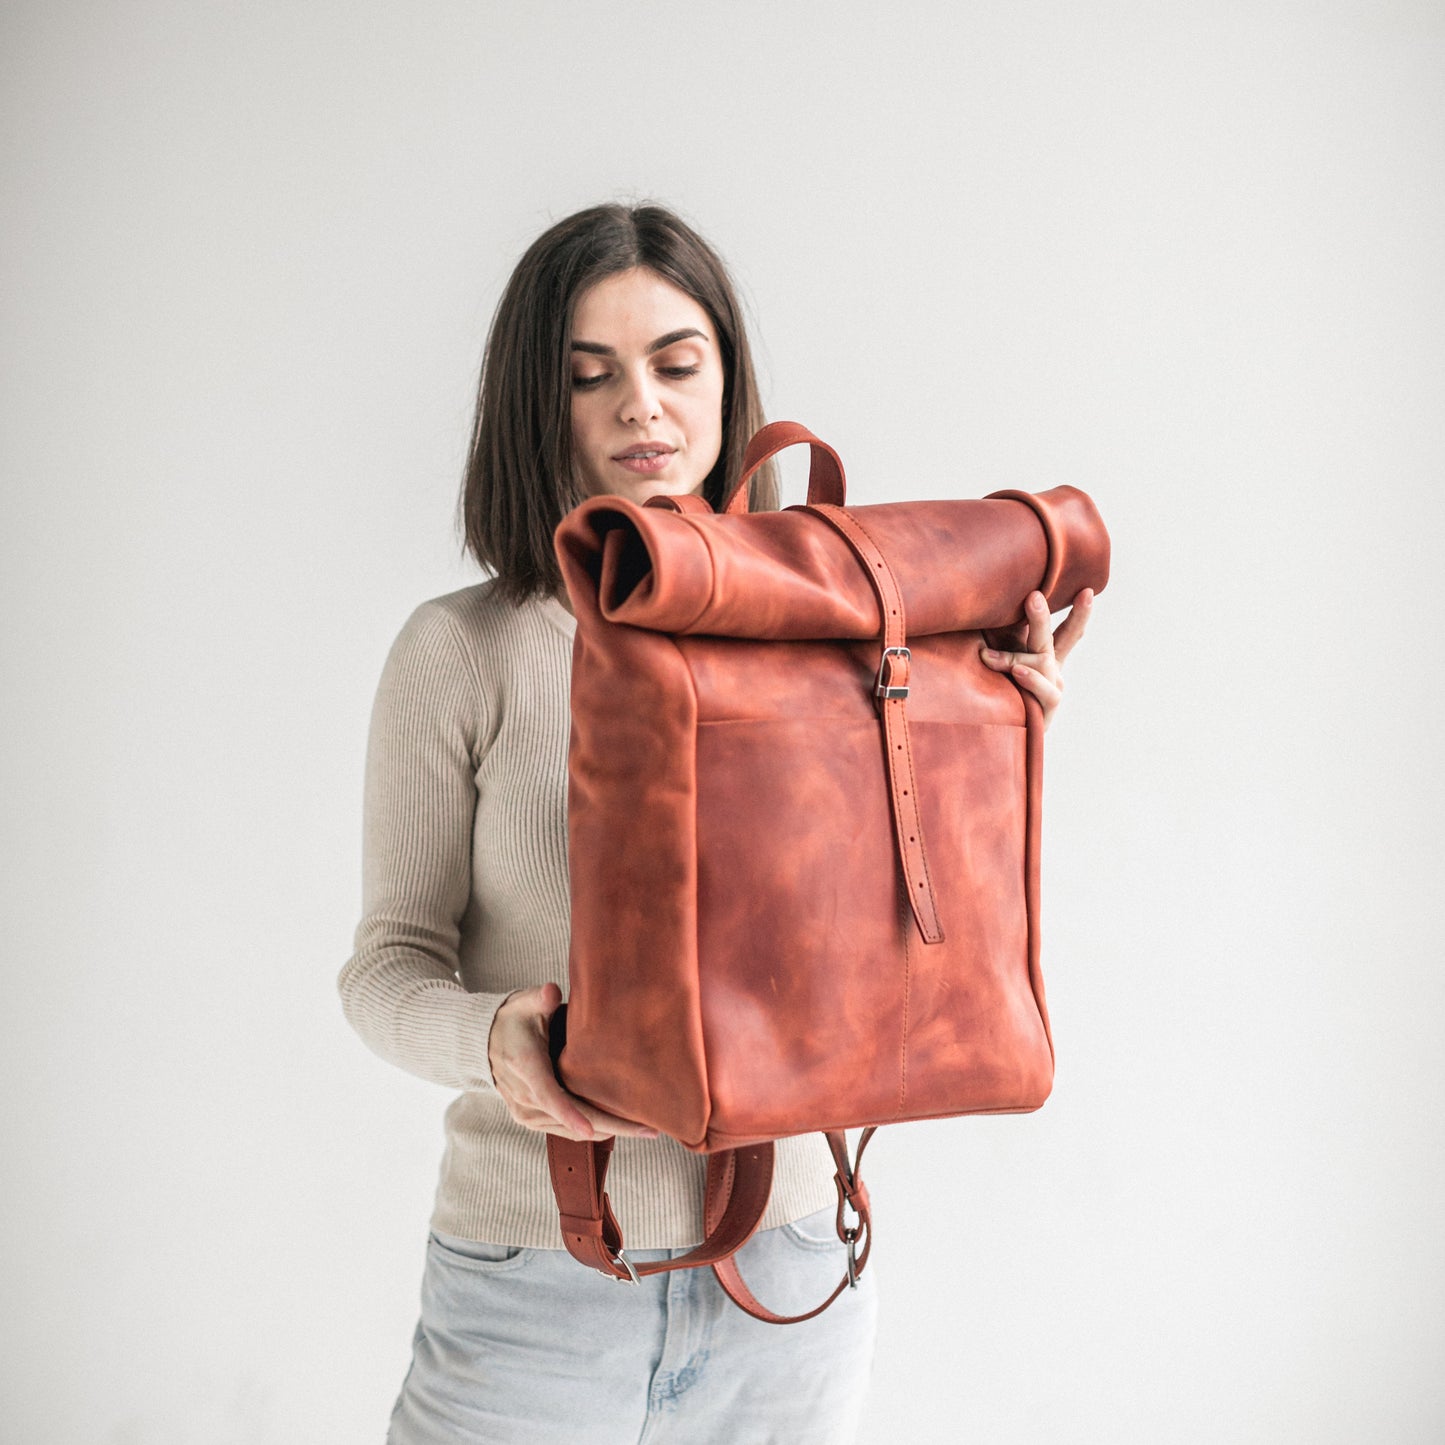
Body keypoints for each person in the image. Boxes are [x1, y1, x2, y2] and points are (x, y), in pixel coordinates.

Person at [338, 201, 1093, 1444]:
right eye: (593, 376)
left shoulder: (839, 640)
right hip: (536, 1281)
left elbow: (892, 935)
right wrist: (493, 1041)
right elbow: (382, 968)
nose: (643, 406)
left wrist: (993, 735)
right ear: (541, 404)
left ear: (727, 380)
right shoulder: (461, 650)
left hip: (791, 1266)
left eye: (677, 364)